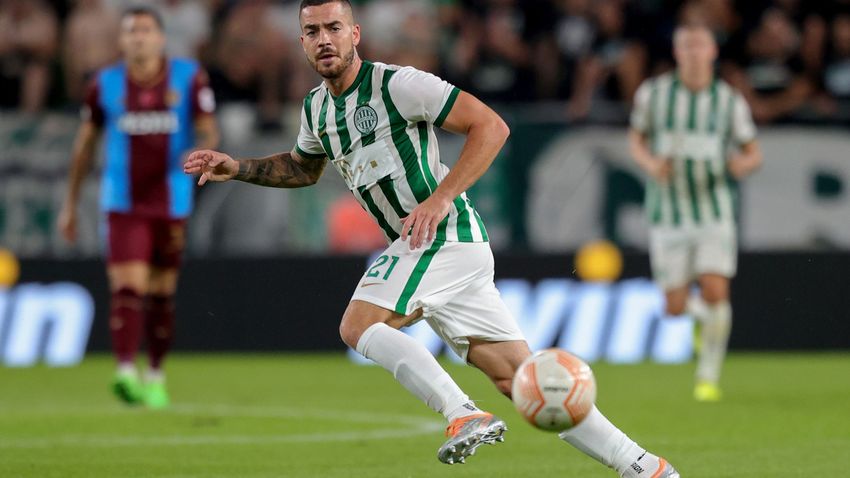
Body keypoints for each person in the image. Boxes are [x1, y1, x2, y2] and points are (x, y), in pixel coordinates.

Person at [185, 1, 678, 475]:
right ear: (302, 43)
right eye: (313, 32)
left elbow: (491, 126)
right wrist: (238, 167)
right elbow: (301, 168)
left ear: (355, 34)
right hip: (437, 249)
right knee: (522, 382)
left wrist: (441, 197)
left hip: (441, 236)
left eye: (334, 27)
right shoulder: (317, 110)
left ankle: (462, 412)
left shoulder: (399, 85)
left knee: (358, 325)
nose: (324, 40)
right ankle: (644, 466)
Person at [58, 6, 219, 409]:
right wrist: (70, 204)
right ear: (121, 40)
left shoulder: (188, 77)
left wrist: (204, 147)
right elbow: (85, 145)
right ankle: (126, 370)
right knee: (128, 287)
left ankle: (156, 376)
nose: (138, 38)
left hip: (171, 200)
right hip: (122, 201)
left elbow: (208, 127)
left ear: (161, 38)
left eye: (146, 31)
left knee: (162, 295)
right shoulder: (104, 84)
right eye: (131, 32)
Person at [628, 23, 762, 402]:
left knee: (717, 289)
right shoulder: (653, 95)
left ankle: (708, 377)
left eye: (699, 45)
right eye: (685, 45)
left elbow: (754, 152)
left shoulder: (728, 101)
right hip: (667, 212)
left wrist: (742, 165)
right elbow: (636, 139)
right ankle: (705, 322)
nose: (692, 52)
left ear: (712, 52)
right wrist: (650, 164)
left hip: (714, 210)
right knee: (673, 308)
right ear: (676, 52)